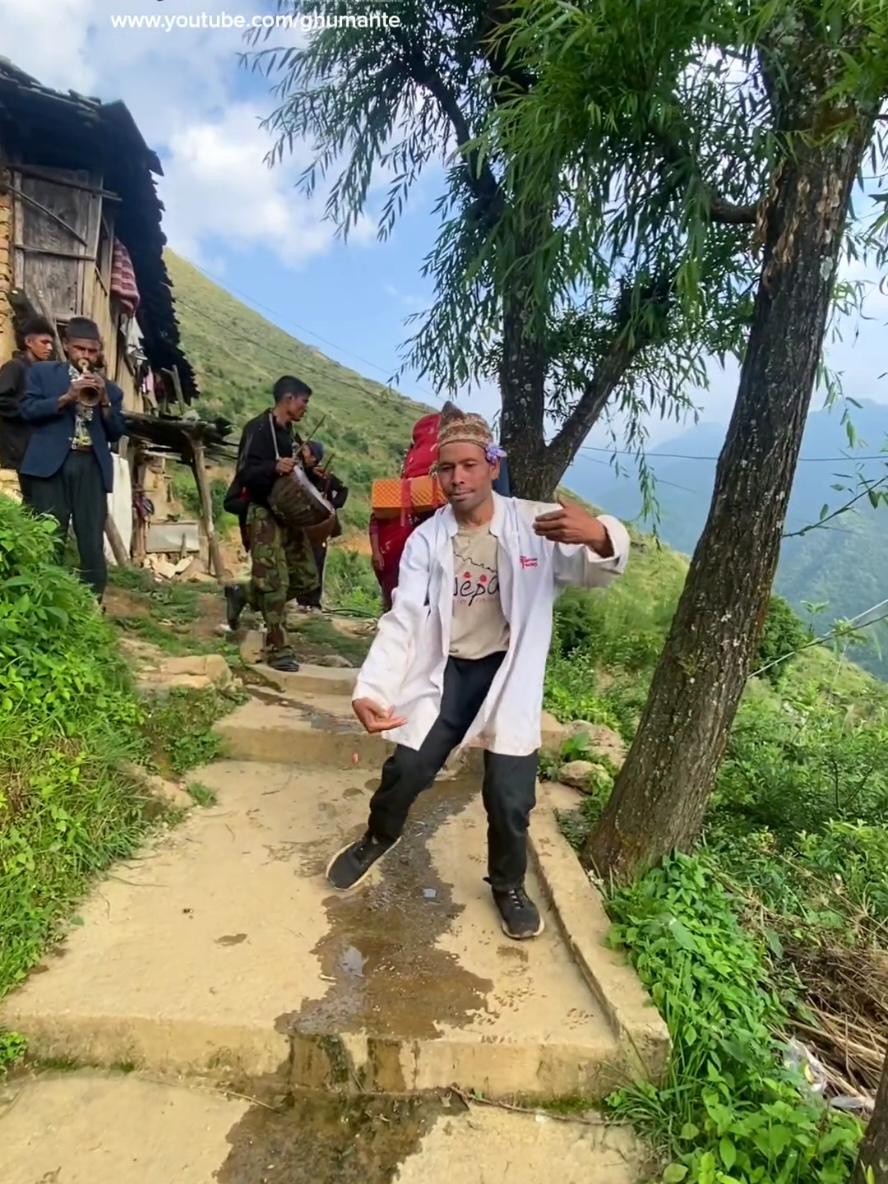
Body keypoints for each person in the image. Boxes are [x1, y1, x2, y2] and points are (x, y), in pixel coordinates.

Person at [326, 408, 630, 940]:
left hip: (508, 676)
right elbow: (403, 618)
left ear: (493, 466)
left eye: (469, 465)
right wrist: (371, 688)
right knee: (407, 769)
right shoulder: (427, 540)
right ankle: (377, 836)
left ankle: (508, 885)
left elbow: (593, 568)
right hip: (449, 674)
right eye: (446, 468)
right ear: (436, 475)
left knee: (510, 796)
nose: (457, 478)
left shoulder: (535, 525)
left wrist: (600, 537)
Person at [18, 317, 125, 600]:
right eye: (80, 349)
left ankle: (92, 603)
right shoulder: (42, 373)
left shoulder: (112, 390)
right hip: (50, 465)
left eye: (92, 351)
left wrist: (104, 400)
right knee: (47, 535)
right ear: (66, 346)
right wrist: (67, 397)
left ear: (99, 351)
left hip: (91, 466)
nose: (85, 356)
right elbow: (27, 411)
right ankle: (43, 599)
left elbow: (116, 432)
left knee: (91, 539)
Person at [223, 376, 318, 672]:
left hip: (287, 515)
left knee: (306, 578)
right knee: (275, 583)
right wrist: (273, 466)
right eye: (303, 401)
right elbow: (245, 474)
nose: (305, 408)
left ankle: (244, 594)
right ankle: (279, 650)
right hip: (262, 512)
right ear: (289, 398)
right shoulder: (258, 428)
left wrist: (306, 467)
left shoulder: (291, 435)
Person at [296, 439, 349, 611]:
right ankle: (302, 600)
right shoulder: (300, 472)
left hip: (319, 528)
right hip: (302, 526)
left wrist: (331, 505)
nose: (301, 452)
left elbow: (343, 490)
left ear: (314, 457)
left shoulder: (324, 476)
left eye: (305, 451)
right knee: (301, 563)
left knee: (317, 562)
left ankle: (313, 602)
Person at [0, 316, 55, 478]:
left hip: (35, 448)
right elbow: (2, 400)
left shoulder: (42, 372)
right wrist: (29, 409)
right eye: (44, 342)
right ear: (29, 342)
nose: (50, 347)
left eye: (51, 343)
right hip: (16, 446)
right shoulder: (15, 367)